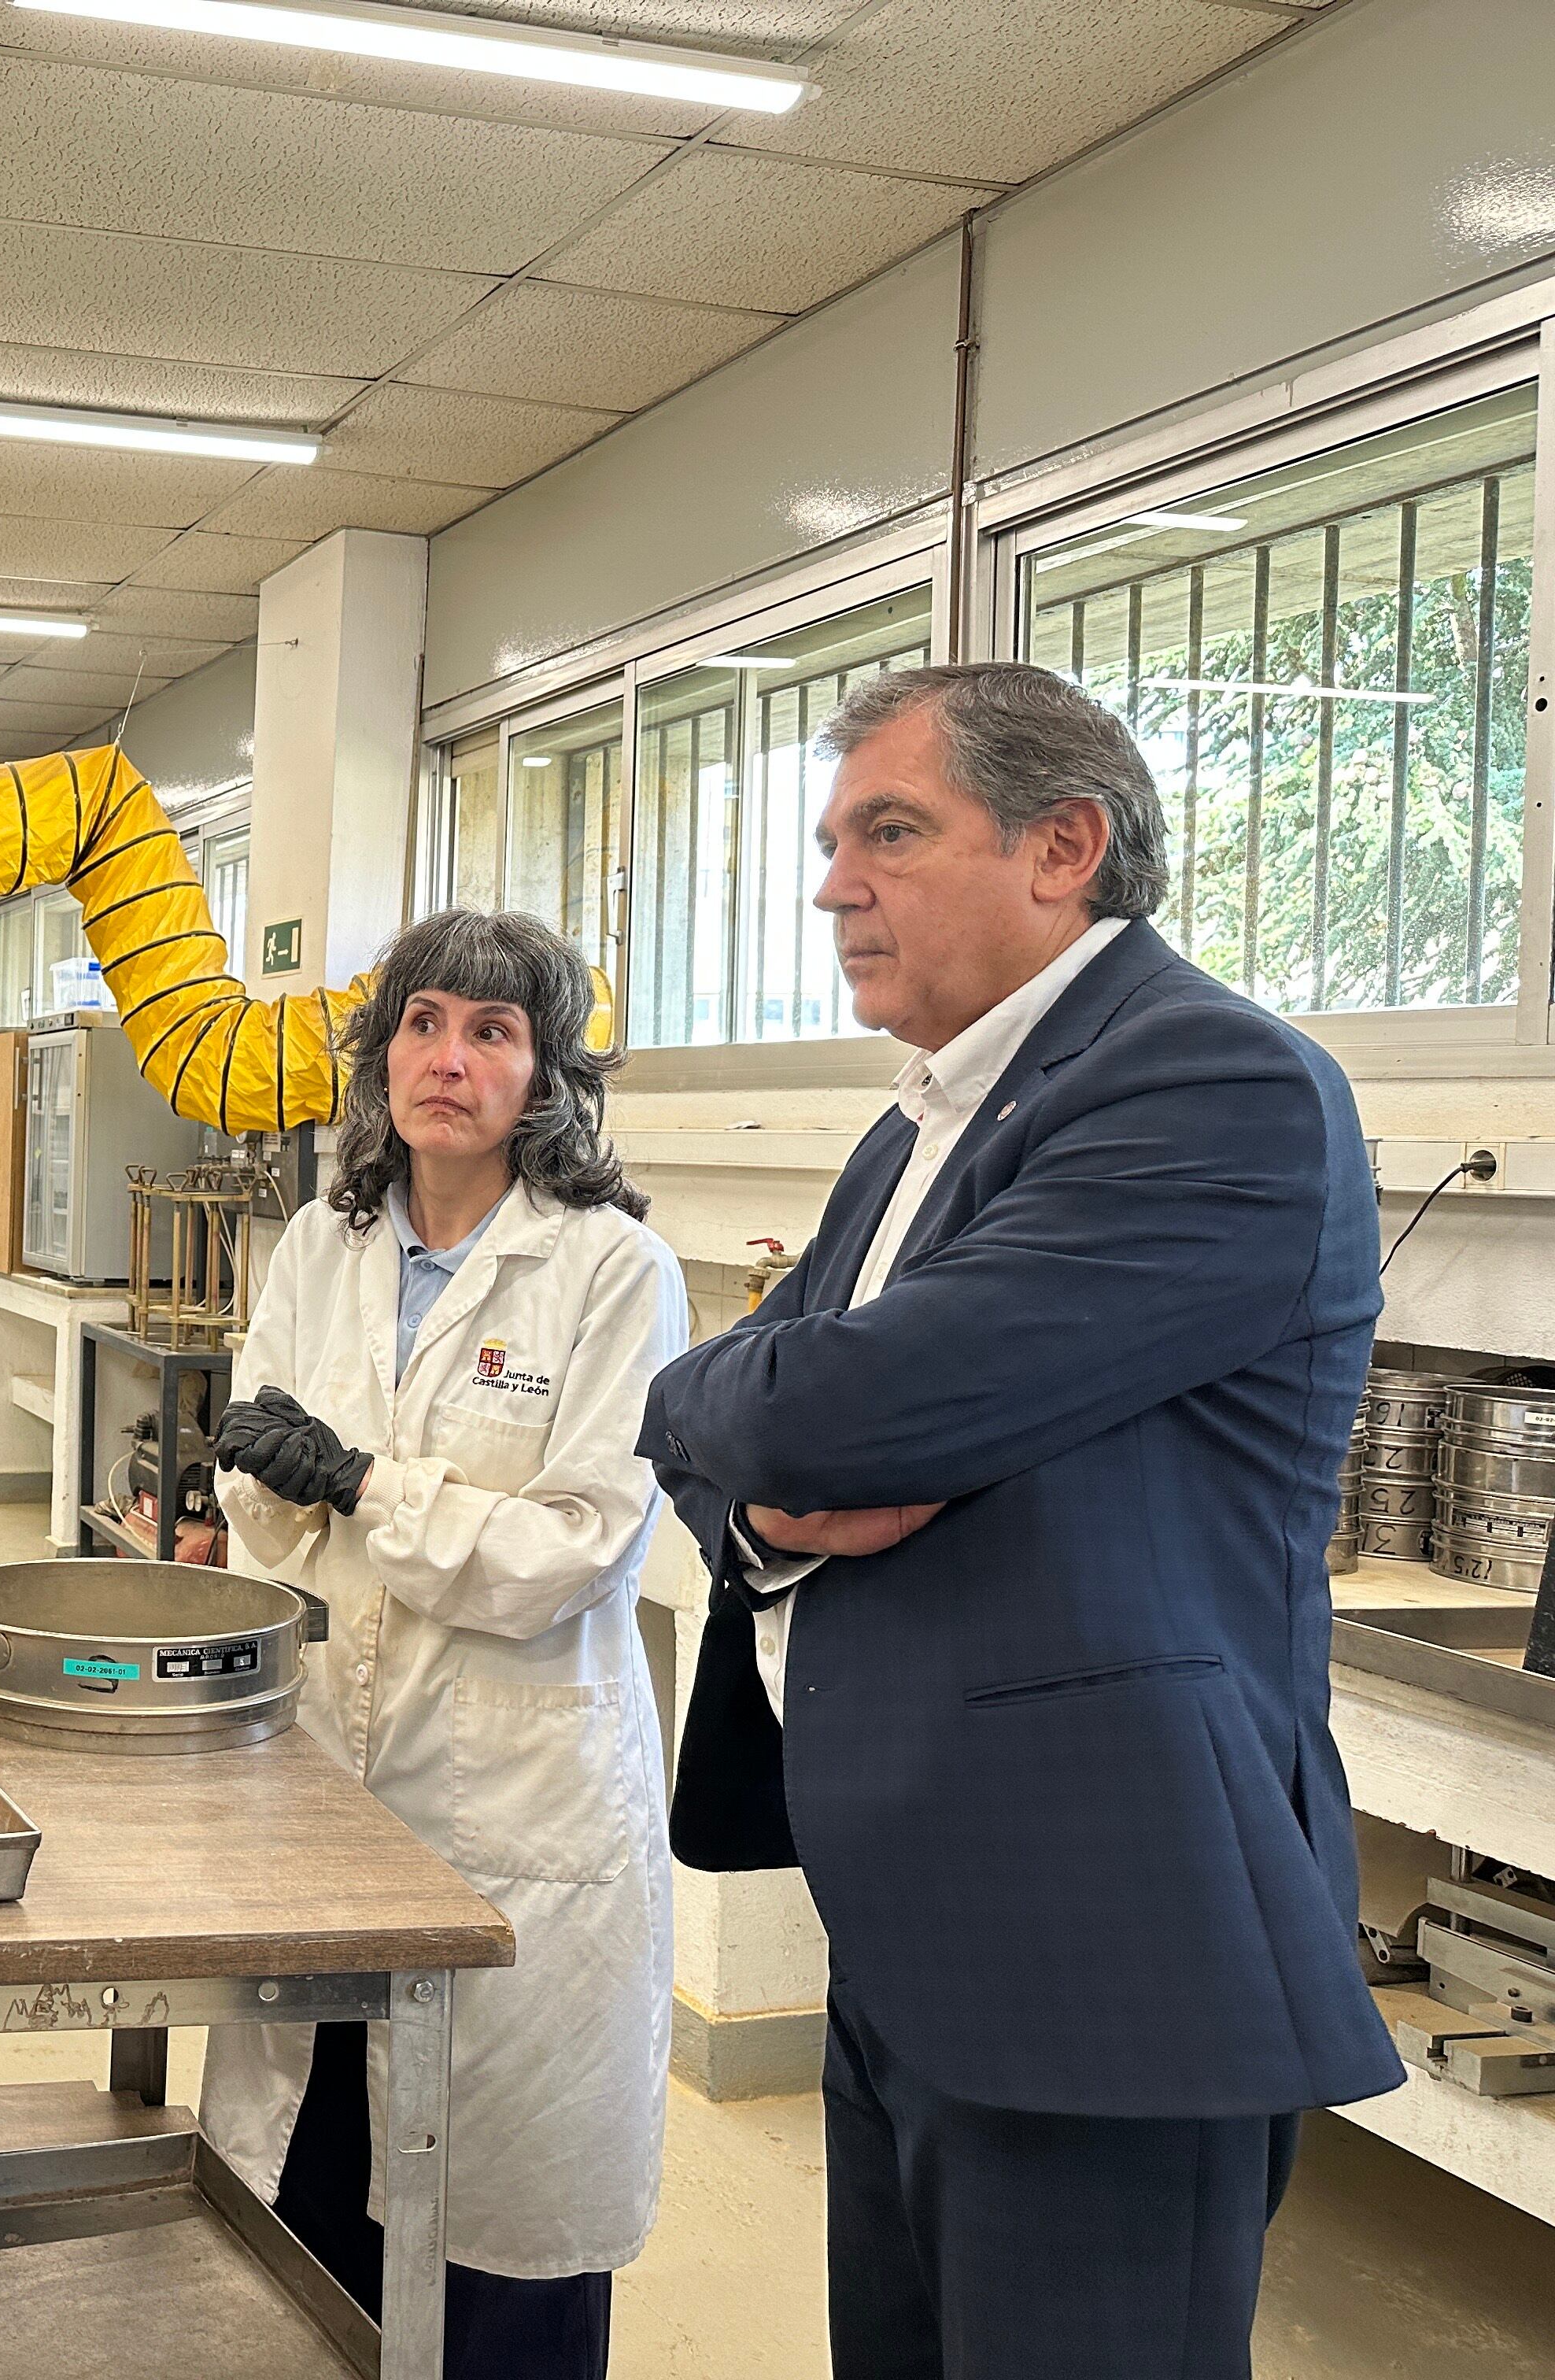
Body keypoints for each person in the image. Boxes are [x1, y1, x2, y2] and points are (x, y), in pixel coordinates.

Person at [638, 663, 1399, 2380]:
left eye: (890, 832)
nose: (836, 883)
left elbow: (826, 1404)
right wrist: (744, 1460)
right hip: (908, 1930)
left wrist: (727, 1410)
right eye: (834, 840)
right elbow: (747, 1419)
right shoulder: (920, 1125)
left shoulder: (1218, 1087)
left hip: (1100, 1957)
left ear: (1066, 845)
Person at [201, 907, 687, 2380]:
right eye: (422, 1021)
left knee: (494, 2239)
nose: (448, 1057)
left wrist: (361, 1485)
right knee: (313, 2196)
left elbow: (576, 1544)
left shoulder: (609, 1269)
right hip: (323, 1788)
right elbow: (254, 1474)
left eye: (491, 1029)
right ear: (380, 1050)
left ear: (544, 1074)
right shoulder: (318, 1240)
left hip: (512, 1804)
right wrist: (280, 1483)